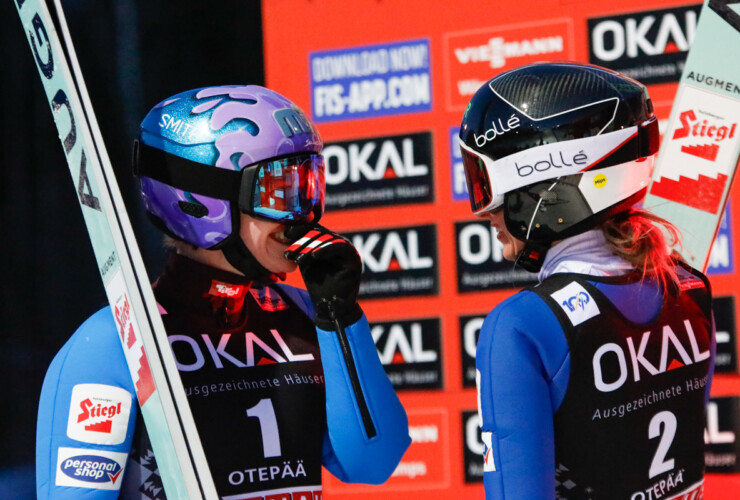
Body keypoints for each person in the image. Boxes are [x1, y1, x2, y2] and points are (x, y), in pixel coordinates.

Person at [36, 85, 410, 499]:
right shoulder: (114, 343)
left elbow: (375, 464)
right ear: (203, 201)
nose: (303, 212)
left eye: (309, 183)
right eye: (280, 190)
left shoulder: (303, 317)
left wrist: (340, 320)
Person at [458, 62, 715, 499]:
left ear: (540, 182)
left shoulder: (521, 327)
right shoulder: (690, 288)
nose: (483, 213)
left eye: (484, 184)